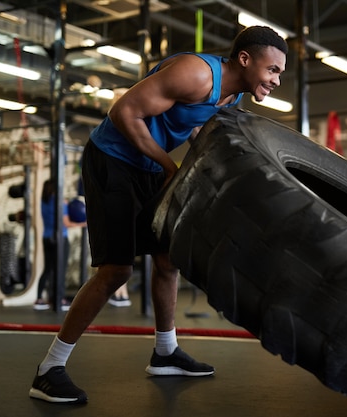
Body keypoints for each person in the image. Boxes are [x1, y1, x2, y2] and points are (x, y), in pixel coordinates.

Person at [29, 25, 287, 404]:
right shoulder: (196, 73)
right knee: (116, 269)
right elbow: (124, 112)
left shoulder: (230, 99)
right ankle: (49, 369)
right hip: (113, 160)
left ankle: (165, 353)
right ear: (245, 59)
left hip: (149, 166)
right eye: (273, 70)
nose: (277, 80)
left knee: (168, 259)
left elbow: (194, 130)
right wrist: (170, 167)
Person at [34, 179, 86, 311]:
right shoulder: (60, 203)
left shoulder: (43, 202)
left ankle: (40, 298)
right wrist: (84, 224)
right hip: (60, 239)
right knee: (60, 269)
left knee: (48, 269)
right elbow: (66, 223)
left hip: (47, 238)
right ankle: (60, 299)